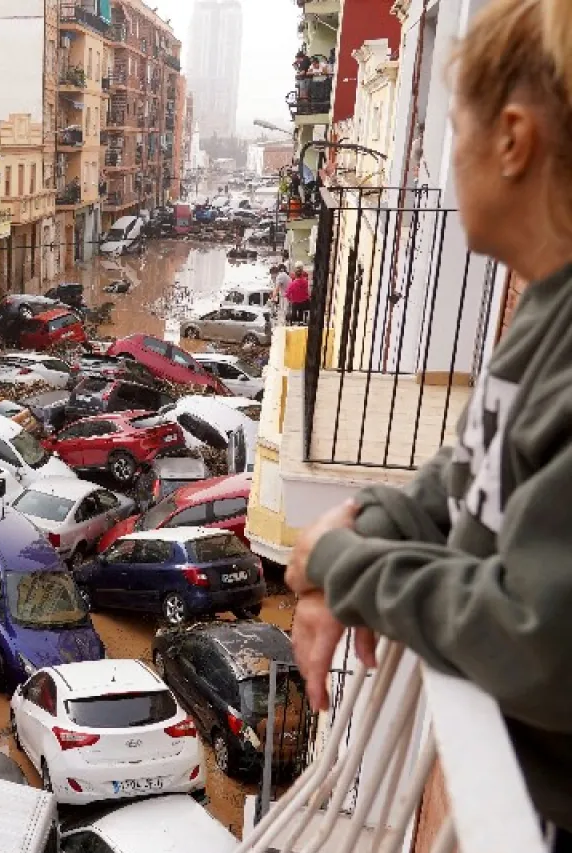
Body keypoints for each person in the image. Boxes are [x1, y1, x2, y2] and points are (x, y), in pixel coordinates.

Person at [285, 0, 572, 843]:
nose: (447, 160)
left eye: (455, 129)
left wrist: (342, 562)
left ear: (513, 141)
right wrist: (368, 521)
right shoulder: (544, 315)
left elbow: (539, 636)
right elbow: (466, 469)